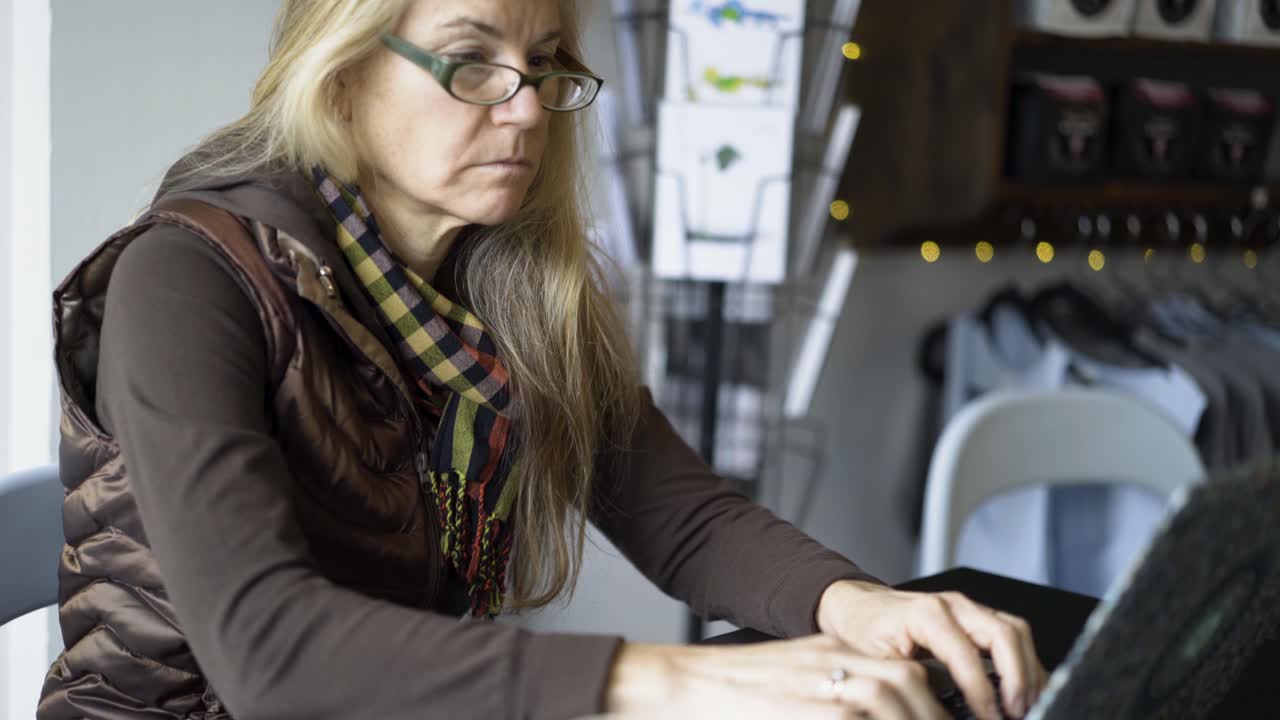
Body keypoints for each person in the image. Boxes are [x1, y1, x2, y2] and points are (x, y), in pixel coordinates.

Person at [38, 1, 1046, 718]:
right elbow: (267, 647)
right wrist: (668, 683)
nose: (522, 108)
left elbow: (681, 517)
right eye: (470, 60)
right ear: (343, 76)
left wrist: (856, 606)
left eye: (547, 60)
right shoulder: (185, 278)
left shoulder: (511, 283)